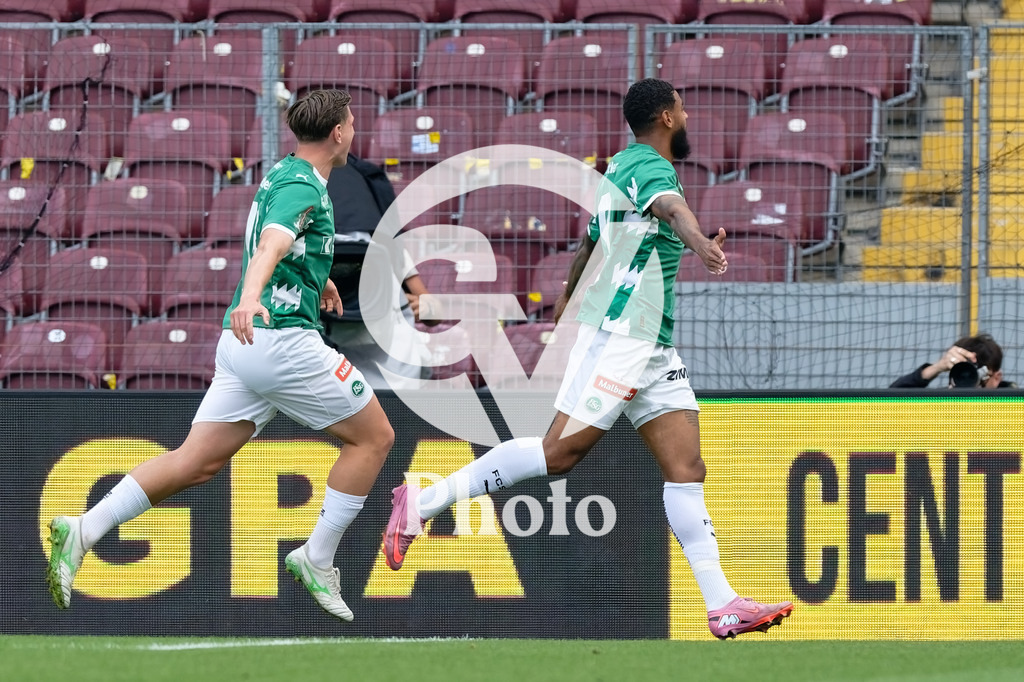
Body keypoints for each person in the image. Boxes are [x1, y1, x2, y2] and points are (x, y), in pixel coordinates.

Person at [381, 79, 794, 640]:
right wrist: (700, 243)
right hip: (624, 336)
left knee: (686, 468)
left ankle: (721, 604)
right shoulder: (651, 168)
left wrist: (567, 302)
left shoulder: (615, 171)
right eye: (683, 107)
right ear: (667, 117)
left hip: (650, 342)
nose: (690, 113)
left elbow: (589, 247)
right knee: (557, 456)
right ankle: (421, 505)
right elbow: (672, 210)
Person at [46, 90, 395, 623]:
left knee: (198, 461)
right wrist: (254, 296)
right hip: (279, 342)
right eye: (351, 123)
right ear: (339, 134)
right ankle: (316, 557)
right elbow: (271, 245)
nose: (354, 130)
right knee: (374, 438)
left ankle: (84, 529)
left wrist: (317, 283)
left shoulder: (285, 172)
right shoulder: (303, 186)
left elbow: (291, 247)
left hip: (243, 349)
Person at [321, 154, 438, 389]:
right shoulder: (308, 254)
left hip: (392, 368)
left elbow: (435, 315)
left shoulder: (385, 249)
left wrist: (424, 306)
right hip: (335, 364)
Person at [890, 333, 1016, 388]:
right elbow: (889, 403)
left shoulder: (1012, 407)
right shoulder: (944, 403)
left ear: (996, 378)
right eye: (963, 373)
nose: (969, 382)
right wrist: (937, 367)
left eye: (975, 376)